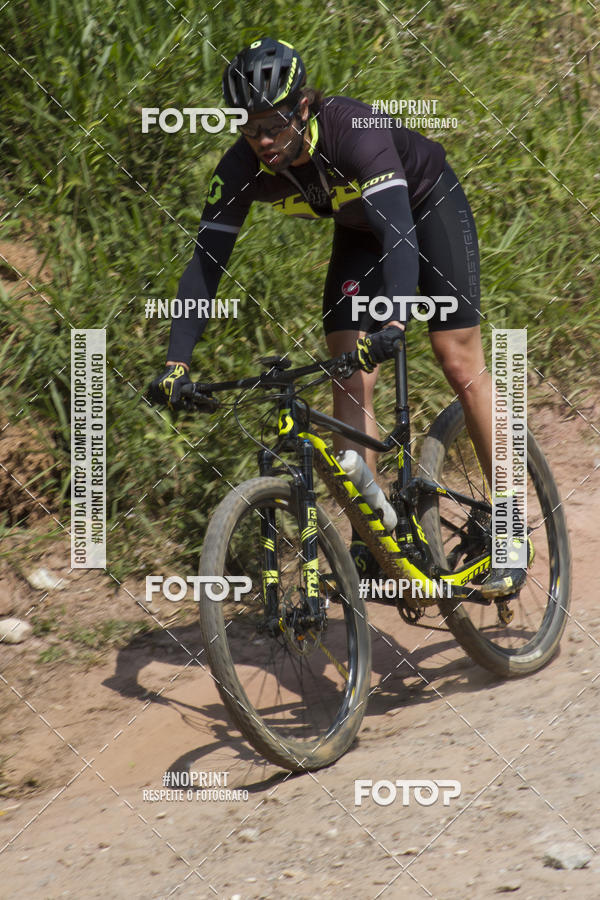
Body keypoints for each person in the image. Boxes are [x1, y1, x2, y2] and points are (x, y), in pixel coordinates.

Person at [148, 37, 529, 597]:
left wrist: (396, 322)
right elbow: (206, 264)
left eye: (274, 126)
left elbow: (399, 229)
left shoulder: (356, 130)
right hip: (359, 231)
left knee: (456, 357)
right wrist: (176, 362)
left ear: (303, 107)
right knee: (347, 375)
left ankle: (513, 522)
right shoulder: (241, 167)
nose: (263, 141)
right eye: (249, 128)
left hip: (424, 206)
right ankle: (376, 538)